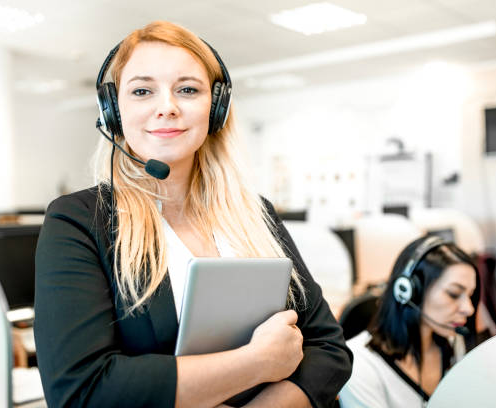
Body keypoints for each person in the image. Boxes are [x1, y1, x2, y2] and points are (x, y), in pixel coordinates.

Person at [34, 21, 352, 408]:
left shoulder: (255, 213)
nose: (166, 106)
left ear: (216, 109)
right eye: (142, 91)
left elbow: (329, 349)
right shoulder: (79, 221)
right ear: (113, 110)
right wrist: (254, 362)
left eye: (187, 89)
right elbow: (81, 392)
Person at [339, 236, 480, 408]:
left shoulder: (454, 343)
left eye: (470, 295)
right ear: (408, 291)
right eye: (453, 294)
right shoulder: (360, 365)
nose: (469, 308)